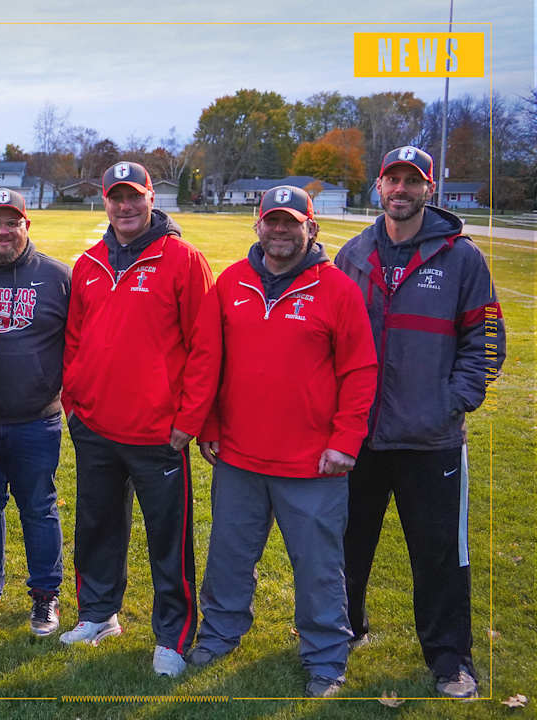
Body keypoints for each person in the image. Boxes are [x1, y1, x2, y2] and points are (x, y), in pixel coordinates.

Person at [188, 185, 378, 697]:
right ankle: (219, 634)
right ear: (258, 225)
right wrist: (209, 426)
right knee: (228, 556)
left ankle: (325, 658)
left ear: (310, 228)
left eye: (290, 223)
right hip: (239, 456)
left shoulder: (337, 288)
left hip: (312, 462)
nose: (279, 231)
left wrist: (345, 441)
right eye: (271, 221)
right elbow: (208, 358)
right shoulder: (231, 282)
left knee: (319, 568)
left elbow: (360, 370)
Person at [335, 146, 506, 698]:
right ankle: (343, 632)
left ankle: (450, 659)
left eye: (413, 181)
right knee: (346, 544)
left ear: (429, 189)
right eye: (393, 180)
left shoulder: (462, 258)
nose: (401, 190)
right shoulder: (353, 254)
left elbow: (486, 338)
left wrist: (453, 400)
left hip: (431, 439)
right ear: (379, 186)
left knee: (439, 555)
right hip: (361, 434)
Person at [60, 161, 215, 677]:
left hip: (158, 433)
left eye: (134, 196)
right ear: (105, 201)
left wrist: (189, 418)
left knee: (168, 540)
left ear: (152, 197)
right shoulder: (89, 263)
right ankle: (98, 614)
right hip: (96, 426)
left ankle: (173, 636)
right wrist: (75, 402)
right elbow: (75, 339)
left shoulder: (183, 259)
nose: (125, 206)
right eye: (116, 197)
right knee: (96, 527)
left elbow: (204, 347)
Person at [0, 189, 70, 636]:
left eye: (12, 222)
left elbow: (79, 346)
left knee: (39, 508)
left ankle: (45, 594)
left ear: (27, 225)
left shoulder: (57, 277)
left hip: (36, 418)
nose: (3, 231)